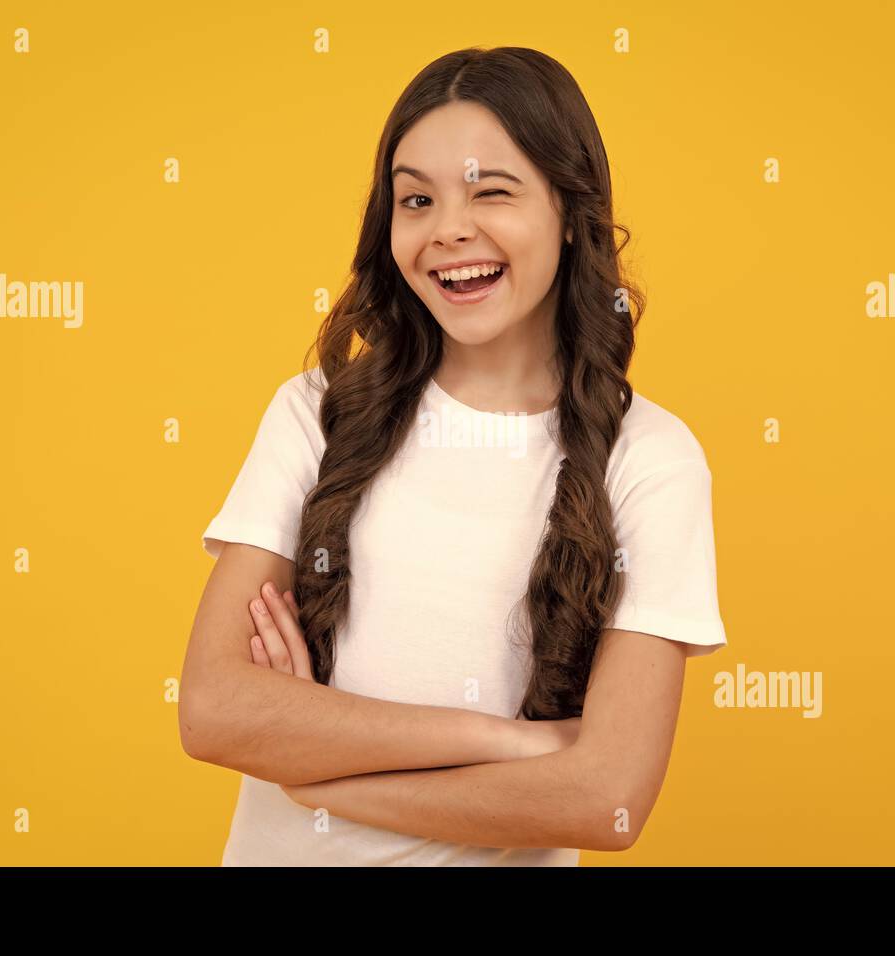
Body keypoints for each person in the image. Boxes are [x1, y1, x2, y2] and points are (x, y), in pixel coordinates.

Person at [179, 46, 728, 866]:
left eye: (491, 191)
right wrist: (506, 742)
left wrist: (320, 772)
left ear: (571, 212)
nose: (448, 231)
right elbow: (215, 711)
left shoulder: (650, 460)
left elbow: (605, 797)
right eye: (416, 199)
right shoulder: (315, 415)